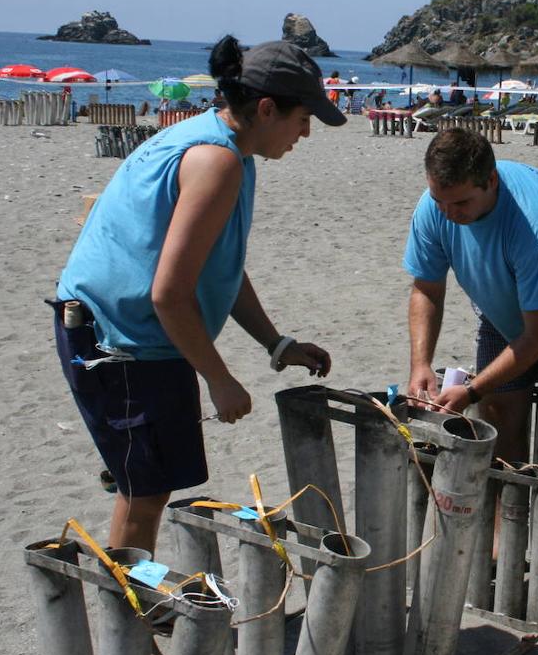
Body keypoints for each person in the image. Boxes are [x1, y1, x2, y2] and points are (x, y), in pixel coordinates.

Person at [50, 36, 344, 552]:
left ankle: (134, 607)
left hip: (122, 335)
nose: (306, 132)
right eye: (303, 118)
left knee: (144, 486)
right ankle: (135, 618)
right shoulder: (216, 161)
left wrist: (275, 344)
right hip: (122, 344)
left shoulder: (224, 148)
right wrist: (220, 379)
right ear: (267, 108)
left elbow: (218, 267)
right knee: (146, 492)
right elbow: (169, 294)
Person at [404, 128, 538, 479]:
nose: (448, 213)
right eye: (439, 200)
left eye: (460, 203)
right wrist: (420, 364)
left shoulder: (536, 230)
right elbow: (426, 289)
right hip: (503, 314)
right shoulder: (434, 207)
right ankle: (507, 532)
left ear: (491, 180)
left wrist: (471, 390)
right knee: (498, 424)